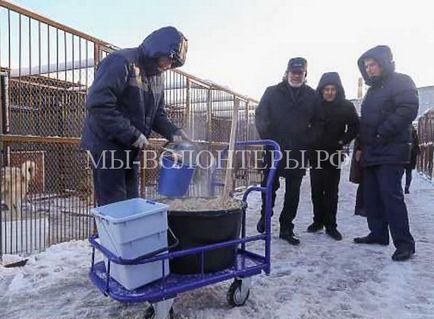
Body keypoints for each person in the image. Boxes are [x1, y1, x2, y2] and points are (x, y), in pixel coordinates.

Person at [81, 26, 190, 206]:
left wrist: (175, 133)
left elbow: (157, 115)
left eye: (174, 63)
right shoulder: (120, 61)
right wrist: (133, 134)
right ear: (158, 49)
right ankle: (112, 234)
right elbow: (98, 104)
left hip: (130, 149)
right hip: (107, 147)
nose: (168, 66)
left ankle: (131, 234)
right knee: (114, 204)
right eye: (169, 59)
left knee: (132, 201)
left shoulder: (157, 78)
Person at [353, 45, 419, 261]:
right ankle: (379, 233)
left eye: (372, 64)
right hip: (372, 150)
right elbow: (366, 123)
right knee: (372, 195)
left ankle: (404, 243)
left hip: (392, 150)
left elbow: (408, 108)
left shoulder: (401, 81)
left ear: (383, 62)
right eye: (366, 66)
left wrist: (382, 133)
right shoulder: (372, 91)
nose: (369, 69)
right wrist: (361, 147)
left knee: (391, 196)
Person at [255, 57, 323, 245]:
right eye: (293, 71)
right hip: (274, 149)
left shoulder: (312, 95)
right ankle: (265, 216)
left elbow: (319, 122)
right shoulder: (272, 92)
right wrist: (268, 138)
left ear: (305, 74)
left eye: (300, 72)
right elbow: (260, 115)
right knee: (269, 186)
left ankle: (286, 227)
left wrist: (309, 140)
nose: (296, 75)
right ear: (287, 72)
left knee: (293, 191)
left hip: (298, 151)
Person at [308, 72, 359, 240]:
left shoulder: (346, 107)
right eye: (326, 89)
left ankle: (331, 225)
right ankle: (318, 221)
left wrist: (343, 141)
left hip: (333, 155)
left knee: (331, 192)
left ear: (338, 90)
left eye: (333, 89)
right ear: (321, 90)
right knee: (316, 190)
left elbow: (354, 127)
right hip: (315, 154)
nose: (329, 92)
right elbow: (304, 123)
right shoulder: (314, 105)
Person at [404, 125, 420, 194]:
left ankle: (398, 188)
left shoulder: (401, 129)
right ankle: (407, 188)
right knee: (409, 173)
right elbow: (417, 144)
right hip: (411, 156)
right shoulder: (414, 132)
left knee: (399, 173)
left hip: (402, 155)